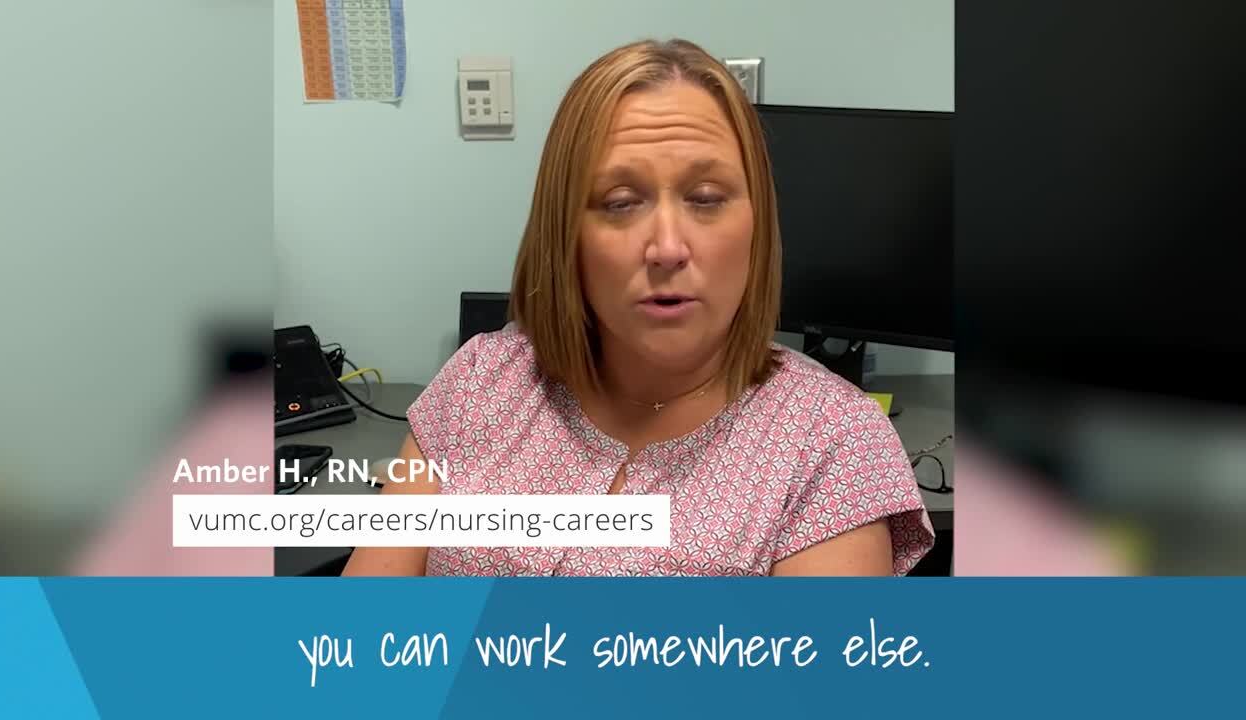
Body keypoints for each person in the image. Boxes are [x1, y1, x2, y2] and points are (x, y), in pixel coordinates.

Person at [344, 38, 933, 577]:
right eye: (621, 202)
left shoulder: (832, 441)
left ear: (757, 224)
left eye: (707, 198)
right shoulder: (480, 383)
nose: (668, 248)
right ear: (565, 234)